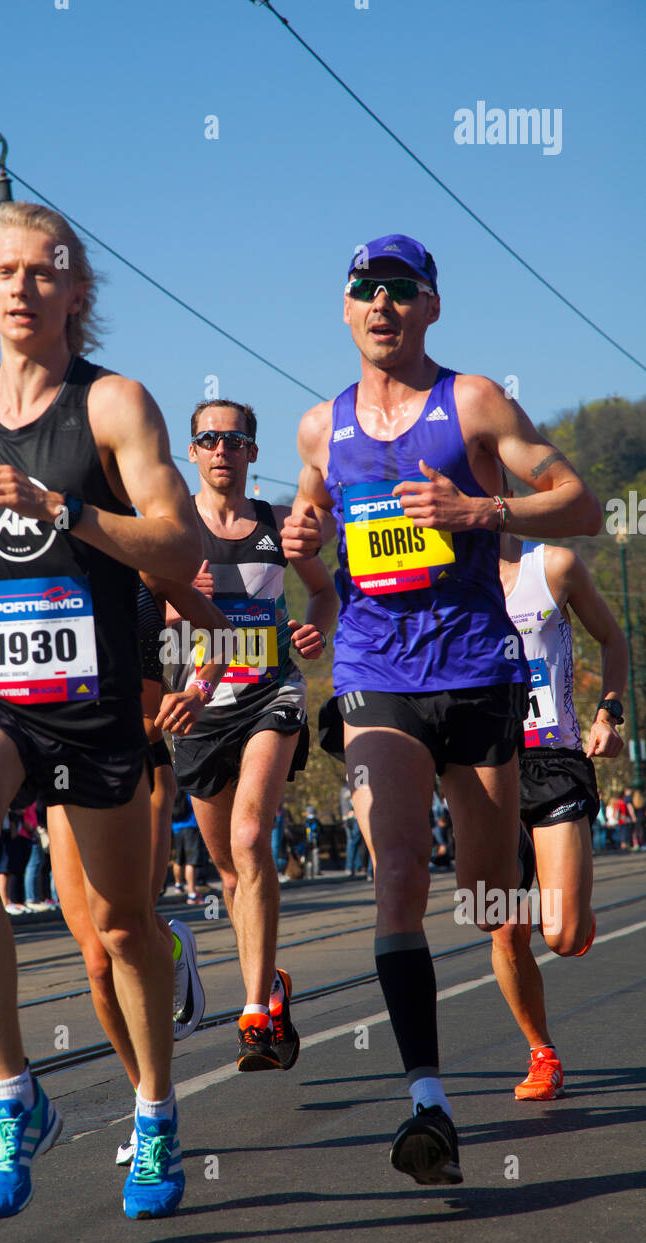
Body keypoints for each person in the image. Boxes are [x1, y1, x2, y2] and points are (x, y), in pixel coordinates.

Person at [0, 201, 200, 1222]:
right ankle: (13, 1095)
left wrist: (61, 509)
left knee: (118, 925)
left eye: (43, 273)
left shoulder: (115, 407)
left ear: (77, 292)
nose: (21, 289)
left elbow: (181, 547)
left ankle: (153, 1110)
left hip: (90, 693)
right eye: (3, 272)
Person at [282, 233, 601, 1184]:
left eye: (399, 290)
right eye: (363, 291)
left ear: (429, 305)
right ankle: (428, 1100)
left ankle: (531, 924)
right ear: (345, 310)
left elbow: (578, 501)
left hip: (477, 669)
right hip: (376, 669)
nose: (379, 305)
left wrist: (481, 514)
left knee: (488, 897)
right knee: (399, 881)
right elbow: (316, 557)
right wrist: (304, 544)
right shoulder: (318, 428)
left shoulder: (474, 403)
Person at [166, 399, 339, 1072]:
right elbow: (138, 606)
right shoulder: (170, 526)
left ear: (252, 452)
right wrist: (174, 581)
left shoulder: (276, 524)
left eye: (234, 439)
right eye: (207, 438)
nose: (221, 449)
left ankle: (253, 1017)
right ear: (192, 451)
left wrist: (316, 628)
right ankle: (270, 983)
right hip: (200, 707)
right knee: (233, 873)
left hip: (271, 692)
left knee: (248, 837)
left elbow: (324, 593)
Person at [47, 573, 233, 1166]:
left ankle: (154, 1116)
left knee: (125, 932)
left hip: (140, 764)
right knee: (97, 965)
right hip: (64, 775)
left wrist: (198, 691)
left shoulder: (141, 565)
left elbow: (224, 637)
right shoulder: (41, 571)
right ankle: (149, 1099)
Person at [495, 533, 627, 1099]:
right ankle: (541, 1053)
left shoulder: (552, 565)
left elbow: (612, 638)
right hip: (484, 768)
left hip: (556, 761)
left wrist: (609, 715)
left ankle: (573, 912)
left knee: (564, 936)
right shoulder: (442, 578)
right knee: (504, 925)